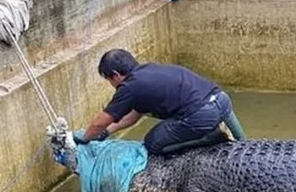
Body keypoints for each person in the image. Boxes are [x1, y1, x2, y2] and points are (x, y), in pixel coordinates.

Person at [76, 48, 247, 155]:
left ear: (116, 75)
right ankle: (245, 144)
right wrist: (107, 132)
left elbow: (100, 122)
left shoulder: (129, 87)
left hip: (201, 114)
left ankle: (209, 138)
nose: (111, 84)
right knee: (245, 146)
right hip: (222, 100)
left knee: (152, 145)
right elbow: (135, 114)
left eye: (109, 79)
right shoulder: (149, 70)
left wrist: (85, 138)